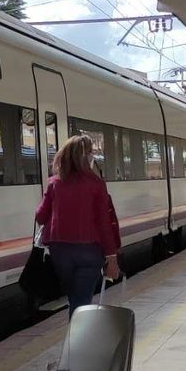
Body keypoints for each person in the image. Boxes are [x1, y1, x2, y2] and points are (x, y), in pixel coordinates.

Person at [34, 134, 122, 317]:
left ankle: (75, 336)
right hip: (89, 252)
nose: (93, 157)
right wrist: (112, 257)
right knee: (81, 301)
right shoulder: (96, 184)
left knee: (75, 299)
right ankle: (77, 340)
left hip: (60, 252)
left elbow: (40, 217)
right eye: (91, 153)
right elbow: (104, 223)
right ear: (85, 157)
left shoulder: (54, 183)